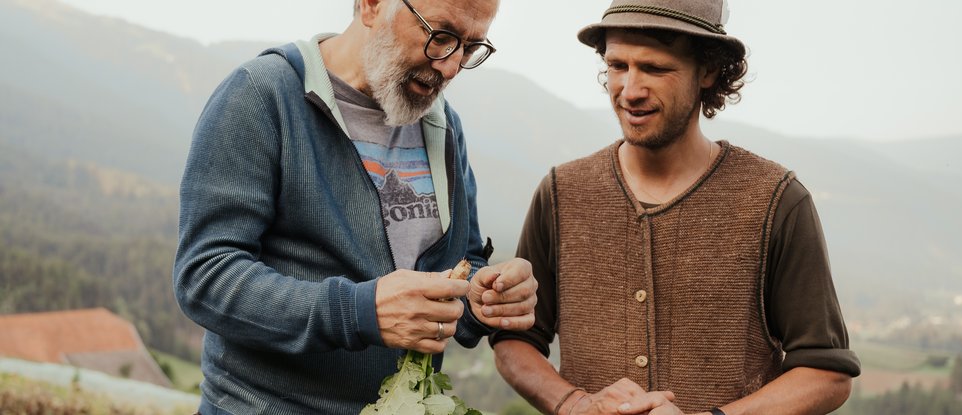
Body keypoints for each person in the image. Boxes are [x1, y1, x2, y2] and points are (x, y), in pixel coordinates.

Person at [490, 1, 861, 414]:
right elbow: (515, 339)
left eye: (654, 68)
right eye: (618, 66)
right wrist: (573, 404)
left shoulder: (776, 201)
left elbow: (828, 374)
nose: (630, 90)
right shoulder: (562, 192)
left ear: (708, 70)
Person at [173, 0, 537, 413]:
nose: (451, 67)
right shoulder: (261, 95)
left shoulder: (444, 125)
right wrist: (360, 312)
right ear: (371, 6)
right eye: (441, 37)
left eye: (470, 49)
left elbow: (463, 261)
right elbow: (205, 277)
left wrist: (485, 296)